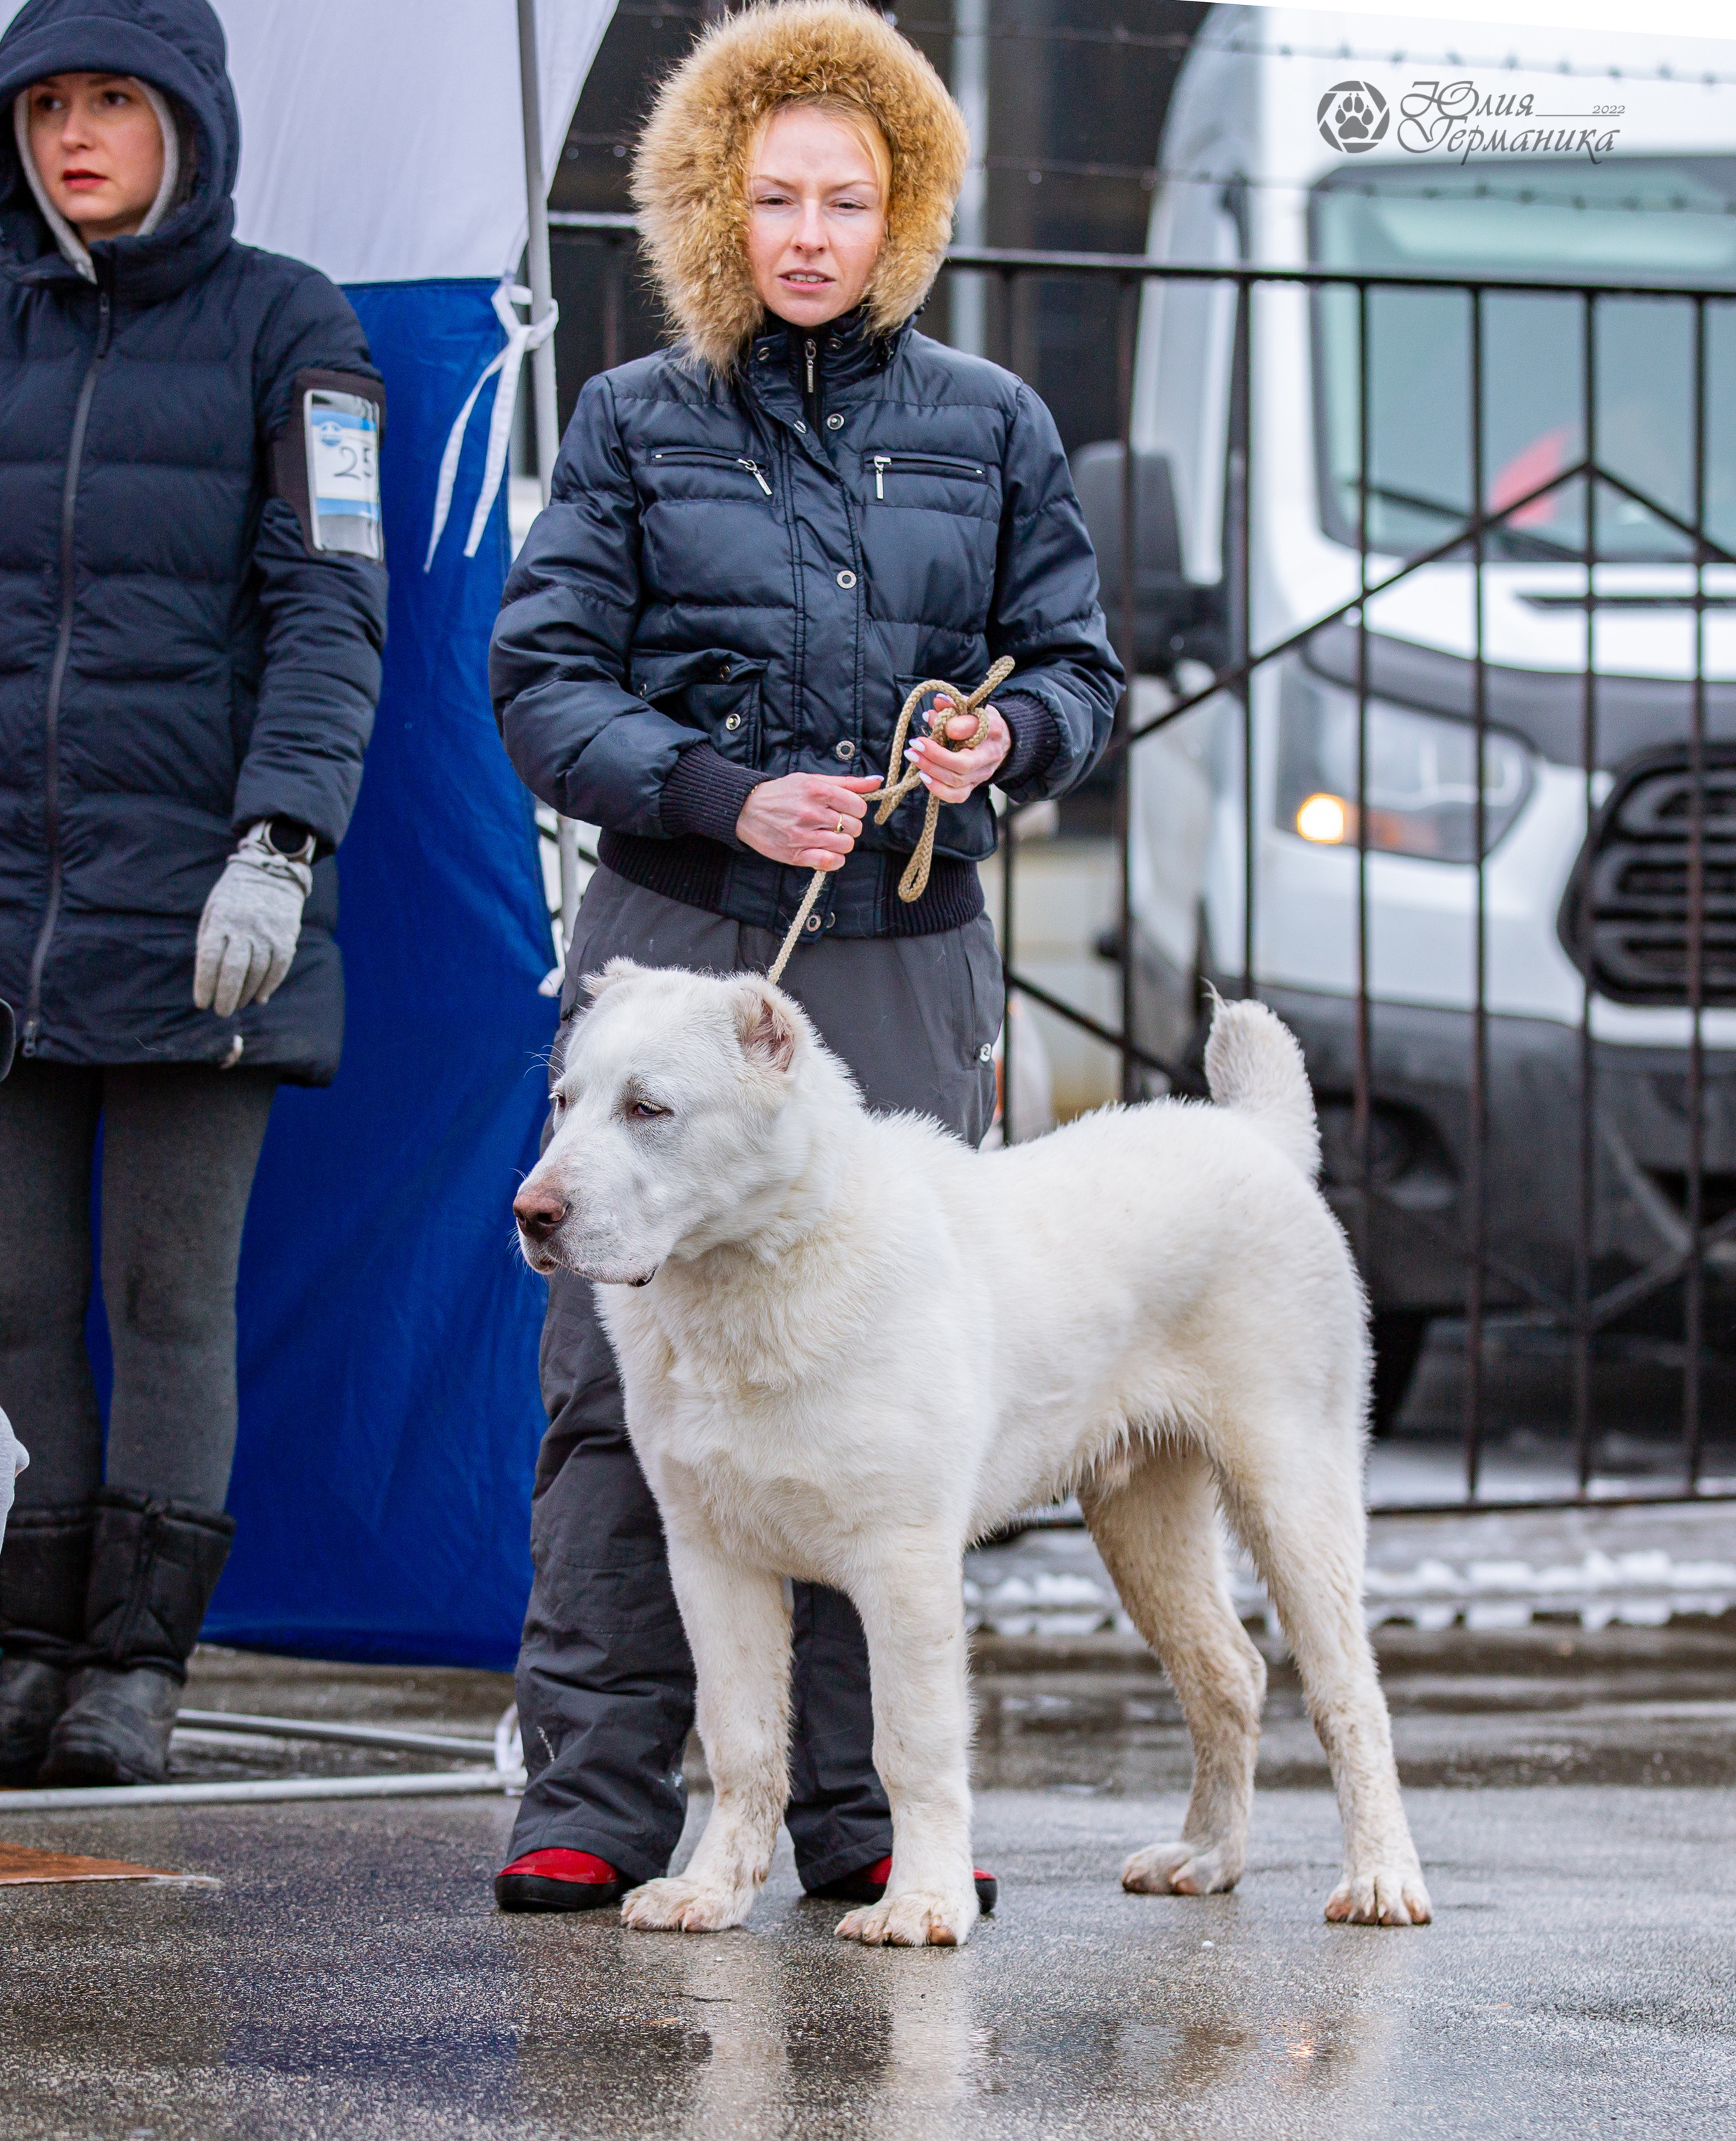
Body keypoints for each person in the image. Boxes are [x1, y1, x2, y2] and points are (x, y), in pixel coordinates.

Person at [488, 0, 1122, 1914]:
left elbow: (1079, 668)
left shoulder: (995, 424)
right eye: (773, 197)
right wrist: (713, 789)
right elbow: (540, 679)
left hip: (904, 952)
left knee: (885, 1386)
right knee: (627, 1388)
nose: (811, 234)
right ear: (713, 207)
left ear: (905, 213)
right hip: (677, 938)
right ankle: (593, 1795)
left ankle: (865, 1826)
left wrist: (1005, 741)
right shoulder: (631, 418)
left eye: (850, 199)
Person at [0, 0, 387, 1789]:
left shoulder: (290, 324)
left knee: (167, 1296)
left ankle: (133, 1667)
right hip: (14, 901)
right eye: (46, 102)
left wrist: (281, 841)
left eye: (112, 101)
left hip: (207, 901)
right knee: (15, 1295)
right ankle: (29, 1642)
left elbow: (333, 608)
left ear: (190, 121)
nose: (75, 135)